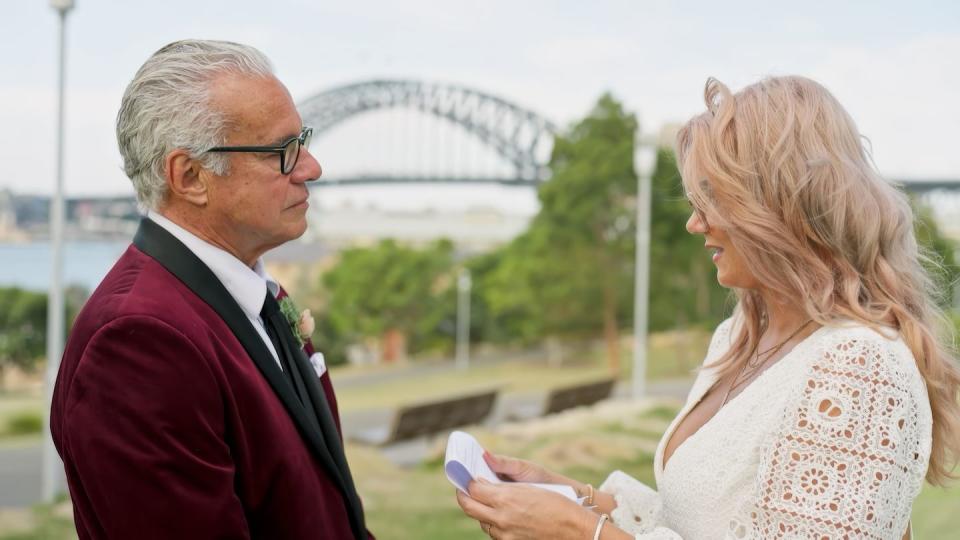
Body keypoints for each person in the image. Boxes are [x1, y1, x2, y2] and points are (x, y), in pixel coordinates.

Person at [455, 76, 960, 539]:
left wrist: (578, 532)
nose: (694, 223)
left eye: (711, 198)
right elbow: (699, 524)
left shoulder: (859, 368)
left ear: (777, 203)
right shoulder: (741, 334)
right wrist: (572, 496)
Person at [50, 40, 373, 539]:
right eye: (281, 151)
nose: (311, 167)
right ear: (190, 176)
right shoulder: (139, 342)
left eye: (302, 140)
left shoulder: (253, 296)